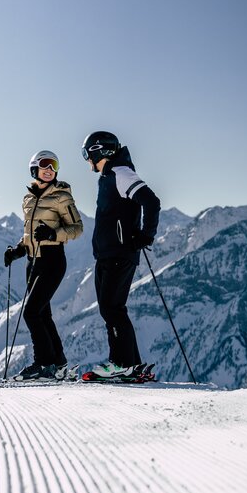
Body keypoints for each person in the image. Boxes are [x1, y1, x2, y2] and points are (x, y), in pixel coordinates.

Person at [81, 130, 161, 378]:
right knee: (112, 308)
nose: (86, 160)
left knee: (112, 308)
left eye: (86, 154)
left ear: (98, 151)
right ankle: (131, 365)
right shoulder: (109, 175)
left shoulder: (121, 173)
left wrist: (146, 234)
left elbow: (151, 201)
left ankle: (121, 363)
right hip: (108, 253)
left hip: (119, 252)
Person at [4, 150, 83, 380]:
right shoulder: (28, 198)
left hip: (53, 260)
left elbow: (77, 228)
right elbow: (29, 233)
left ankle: (43, 364)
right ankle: (59, 364)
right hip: (33, 262)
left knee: (31, 313)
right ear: (34, 169)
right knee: (43, 314)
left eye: (54, 166)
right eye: (45, 165)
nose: (50, 169)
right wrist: (18, 250)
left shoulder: (62, 196)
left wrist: (52, 233)